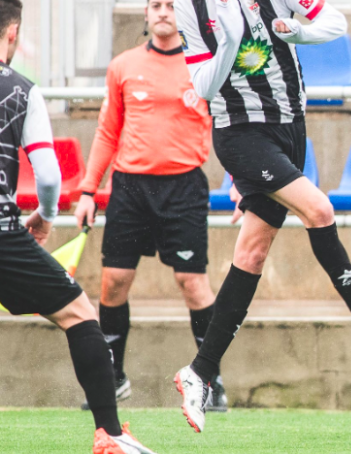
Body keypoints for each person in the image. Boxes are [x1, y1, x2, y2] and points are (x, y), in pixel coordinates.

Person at [171, 0, 351, 432]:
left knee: (251, 252)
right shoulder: (191, 8)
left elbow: (334, 21)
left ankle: (200, 371)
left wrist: (296, 30)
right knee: (319, 208)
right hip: (240, 132)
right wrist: (230, 40)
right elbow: (205, 87)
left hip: (291, 128)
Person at [0, 1, 157, 452]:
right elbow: (48, 175)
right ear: (12, 34)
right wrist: (45, 217)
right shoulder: (20, 90)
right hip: (4, 235)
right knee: (79, 314)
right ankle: (109, 435)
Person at [74, 0, 227, 412]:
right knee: (113, 281)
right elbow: (108, 132)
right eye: (155, 5)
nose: (163, 12)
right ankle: (114, 378)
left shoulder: (206, 65)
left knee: (192, 284)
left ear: (184, 15)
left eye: (171, 6)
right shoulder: (122, 66)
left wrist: (243, 185)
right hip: (130, 188)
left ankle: (209, 381)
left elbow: (228, 127)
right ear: (145, 13)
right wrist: (88, 191)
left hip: (184, 189)